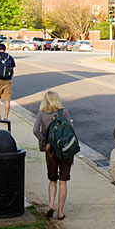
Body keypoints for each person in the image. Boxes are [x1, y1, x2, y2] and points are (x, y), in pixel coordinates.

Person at [33, 91, 74, 220]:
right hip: (65, 151)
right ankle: (60, 212)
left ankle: (51, 205)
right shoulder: (64, 112)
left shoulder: (41, 114)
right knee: (63, 181)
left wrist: (45, 142)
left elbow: (35, 130)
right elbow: (71, 130)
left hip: (51, 151)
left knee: (52, 180)